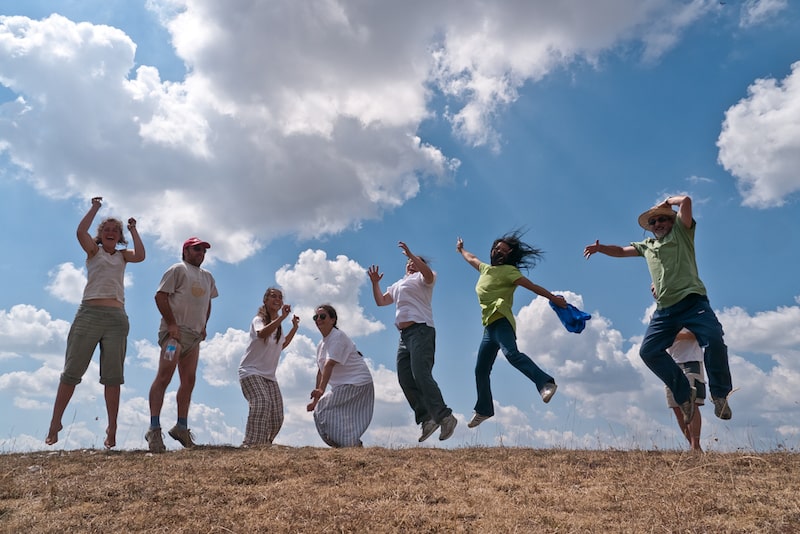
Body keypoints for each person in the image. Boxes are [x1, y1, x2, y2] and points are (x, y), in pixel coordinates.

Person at [583, 195, 733, 426]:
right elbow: (622, 251)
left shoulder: (682, 234)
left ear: (672, 222)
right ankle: (684, 394)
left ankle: (720, 395)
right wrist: (601, 248)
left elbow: (686, 201)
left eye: (663, 219)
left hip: (693, 302)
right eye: (653, 222)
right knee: (648, 351)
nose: (658, 224)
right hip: (665, 310)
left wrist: (667, 201)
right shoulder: (647, 246)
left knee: (713, 339)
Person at [46, 196, 145, 448]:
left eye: (116, 230)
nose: (111, 232)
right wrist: (95, 207)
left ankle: (112, 427)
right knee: (71, 372)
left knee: (113, 377)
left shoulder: (123, 257)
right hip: (89, 314)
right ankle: (55, 423)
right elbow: (80, 231)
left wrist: (134, 230)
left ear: (119, 237)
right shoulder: (94, 251)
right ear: (100, 235)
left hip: (116, 319)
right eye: (106, 230)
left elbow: (141, 255)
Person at [456, 231, 568, 428]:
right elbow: (471, 258)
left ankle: (545, 383)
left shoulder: (509, 272)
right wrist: (461, 249)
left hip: (502, 322)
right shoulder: (485, 269)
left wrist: (554, 298)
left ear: (509, 256)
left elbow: (532, 287)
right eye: (497, 248)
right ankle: (484, 409)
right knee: (481, 369)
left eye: (503, 251)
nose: (498, 251)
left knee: (512, 354)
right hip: (489, 328)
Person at [368, 241, 457, 443]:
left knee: (421, 374)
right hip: (404, 336)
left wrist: (412, 254)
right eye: (408, 261)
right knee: (405, 378)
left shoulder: (425, 278)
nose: (410, 263)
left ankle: (445, 416)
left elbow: (427, 273)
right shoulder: (399, 284)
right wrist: (375, 283)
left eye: (414, 261)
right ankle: (427, 419)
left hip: (421, 330)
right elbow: (381, 302)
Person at [145, 237, 218, 453]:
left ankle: (181, 427)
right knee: (164, 375)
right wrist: (171, 324)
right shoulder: (177, 269)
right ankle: (154, 428)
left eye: (203, 251)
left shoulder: (208, 277)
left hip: (194, 337)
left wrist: (204, 326)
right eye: (196, 249)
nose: (201, 253)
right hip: (174, 336)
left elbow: (208, 302)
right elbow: (160, 296)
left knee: (189, 380)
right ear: (185, 251)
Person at [238, 287, 299, 447]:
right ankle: (250, 444)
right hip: (250, 371)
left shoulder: (278, 327)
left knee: (277, 415)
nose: (277, 299)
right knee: (262, 402)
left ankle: (264, 443)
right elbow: (262, 334)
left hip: (269, 376)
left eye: (280, 297)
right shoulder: (258, 320)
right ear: (265, 300)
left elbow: (282, 344)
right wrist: (282, 318)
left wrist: (294, 328)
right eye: (273, 296)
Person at [306, 304, 374, 448]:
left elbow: (329, 365)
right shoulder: (321, 345)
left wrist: (321, 391)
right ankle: (347, 445)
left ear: (333, 320)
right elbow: (320, 371)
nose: (318, 319)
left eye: (322, 316)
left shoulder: (337, 337)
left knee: (323, 409)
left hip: (358, 383)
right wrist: (315, 400)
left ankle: (351, 444)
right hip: (346, 385)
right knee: (322, 412)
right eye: (315, 317)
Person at [665, 329, 705, 452]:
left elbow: (697, 333)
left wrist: (671, 334)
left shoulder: (693, 312)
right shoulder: (658, 314)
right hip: (670, 362)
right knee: (676, 406)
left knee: (691, 402)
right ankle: (693, 446)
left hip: (691, 360)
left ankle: (695, 445)